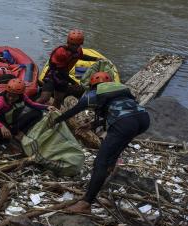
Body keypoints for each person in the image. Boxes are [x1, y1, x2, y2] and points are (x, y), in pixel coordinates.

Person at [51, 74, 150, 214]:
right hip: (143, 119)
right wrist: (92, 125)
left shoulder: (91, 95)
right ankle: (108, 171)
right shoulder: (120, 89)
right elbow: (120, 110)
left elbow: (72, 112)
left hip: (124, 123)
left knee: (100, 163)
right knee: (116, 149)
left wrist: (54, 121)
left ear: (92, 86)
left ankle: (86, 203)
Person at [38, 29, 101, 108]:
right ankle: (31, 111)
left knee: (58, 100)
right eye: (73, 44)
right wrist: (74, 82)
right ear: (68, 42)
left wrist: (96, 59)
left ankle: (52, 115)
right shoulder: (60, 52)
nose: (75, 47)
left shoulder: (78, 51)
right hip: (53, 76)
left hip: (63, 79)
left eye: (77, 45)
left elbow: (82, 56)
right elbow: (60, 72)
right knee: (44, 98)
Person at [0, 78, 55, 143]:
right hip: (2, 122)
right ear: (7, 92)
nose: (11, 98)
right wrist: (1, 127)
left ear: (20, 95)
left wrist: (46, 107)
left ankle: (21, 134)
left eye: (14, 97)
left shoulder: (23, 97)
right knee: (0, 136)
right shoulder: (1, 100)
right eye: (9, 95)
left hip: (13, 121)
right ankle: (10, 134)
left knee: (38, 113)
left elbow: (32, 104)